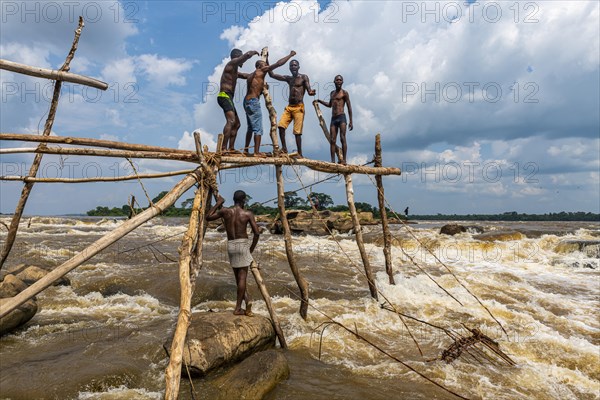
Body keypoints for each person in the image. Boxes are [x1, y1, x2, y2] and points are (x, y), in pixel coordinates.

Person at [207, 191, 260, 316]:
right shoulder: (247, 214)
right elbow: (256, 233)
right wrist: (251, 249)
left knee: (238, 278)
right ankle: (238, 308)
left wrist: (218, 203)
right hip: (243, 245)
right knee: (242, 278)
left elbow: (208, 217)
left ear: (233, 199)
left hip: (231, 245)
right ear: (244, 200)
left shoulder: (225, 211)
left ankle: (246, 300)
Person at [243, 51, 297, 157]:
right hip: (254, 102)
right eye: (264, 65)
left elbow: (239, 75)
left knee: (250, 128)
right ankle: (256, 152)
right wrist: (290, 55)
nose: (266, 66)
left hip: (246, 102)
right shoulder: (261, 70)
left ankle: (245, 150)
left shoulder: (250, 75)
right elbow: (278, 63)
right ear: (259, 66)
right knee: (258, 129)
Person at [268, 59, 316, 157]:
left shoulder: (303, 77)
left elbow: (309, 90)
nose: (293, 67)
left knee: (297, 132)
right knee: (281, 126)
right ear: (289, 68)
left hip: (299, 107)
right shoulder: (288, 78)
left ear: (298, 67)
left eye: (295, 65)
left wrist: (311, 93)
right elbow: (272, 75)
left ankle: (300, 153)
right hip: (289, 107)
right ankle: (284, 149)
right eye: (291, 66)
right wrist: (267, 62)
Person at [218, 49, 259, 154]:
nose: (243, 62)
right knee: (231, 121)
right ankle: (223, 148)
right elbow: (247, 55)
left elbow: (246, 76)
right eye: (241, 59)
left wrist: (260, 71)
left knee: (237, 124)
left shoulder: (235, 70)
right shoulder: (231, 64)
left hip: (228, 98)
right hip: (224, 96)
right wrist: (254, 52)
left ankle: (231, 148)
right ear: (236, 57)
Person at [317, 75, 353, 164]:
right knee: (332, 140)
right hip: (334, 118)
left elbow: (349, 107)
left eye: (340, 80)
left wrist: (351, 121)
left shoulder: (344, 93)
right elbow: (330, 105)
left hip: (342, 117)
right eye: (337, 80)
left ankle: (344, 160)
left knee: (342, 138)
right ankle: (333, 161)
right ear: (334, 82)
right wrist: (320, 101)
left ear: (342, 82)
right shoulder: (332, 93)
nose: (339, 81)